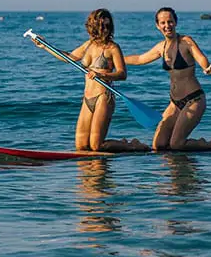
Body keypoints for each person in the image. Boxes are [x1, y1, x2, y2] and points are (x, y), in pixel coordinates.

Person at [32, 8, 143, 152]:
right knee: (81, 146)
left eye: (107, 26)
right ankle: (121, 143)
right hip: (87, 98)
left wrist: (102, 75)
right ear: (93, 26)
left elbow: (122, 74)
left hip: (104, 97)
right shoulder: (88, 45)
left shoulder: (113, 48)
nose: (104, 29)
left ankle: (132, 145)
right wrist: (45, 46)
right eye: (100, 26)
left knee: (96, 146)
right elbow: (69, 58)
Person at [124, 7, 211, 151]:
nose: (167, 26)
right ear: (158, 26)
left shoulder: (185, 42)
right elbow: (139, 59)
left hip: (193, 100)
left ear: (175, 23)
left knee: (176, 144)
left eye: (170, 22)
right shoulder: (161, 48)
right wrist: (116, 60)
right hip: (174, 103)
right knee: (158, 145)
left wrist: (206, 68)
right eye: (163, 23)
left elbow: (200, 57)